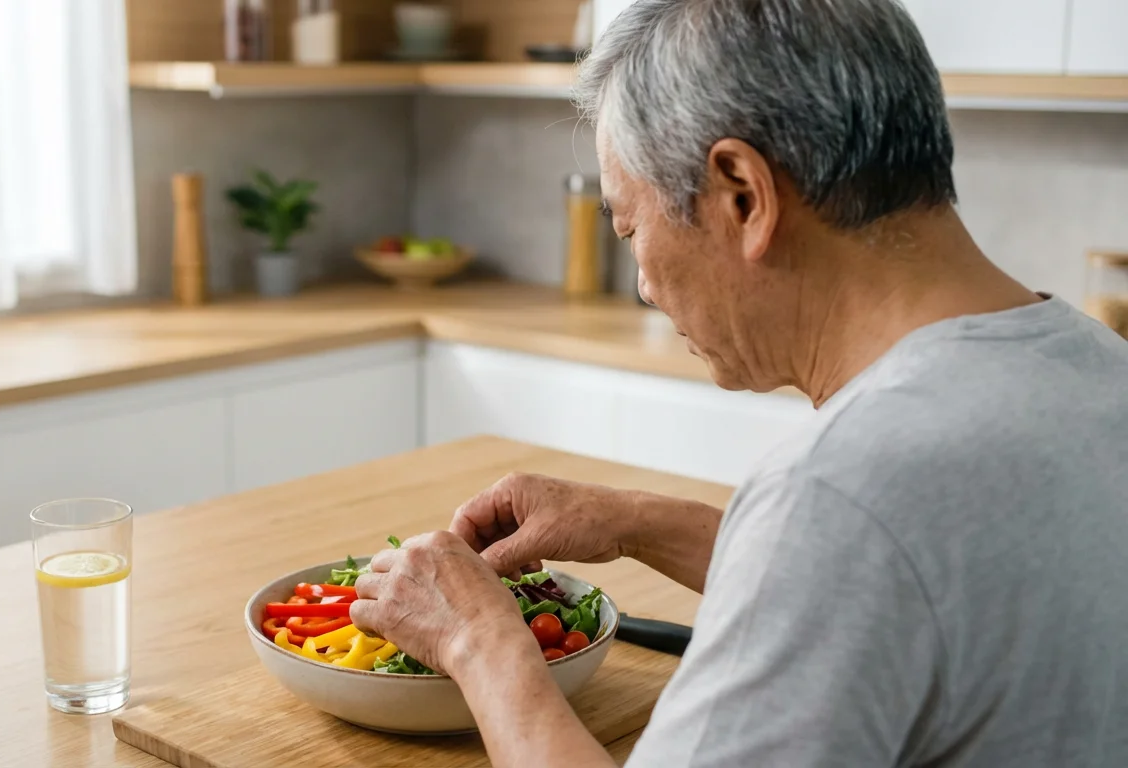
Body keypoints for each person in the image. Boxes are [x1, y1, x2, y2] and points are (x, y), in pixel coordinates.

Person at [348, 0, 1128, 765]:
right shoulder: (1097, 365)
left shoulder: (840, 491)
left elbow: (853, 539)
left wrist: (478, 642)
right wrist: (637, 521)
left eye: (629, 228)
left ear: (742, 196)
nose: (647, 285)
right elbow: (903, 586)